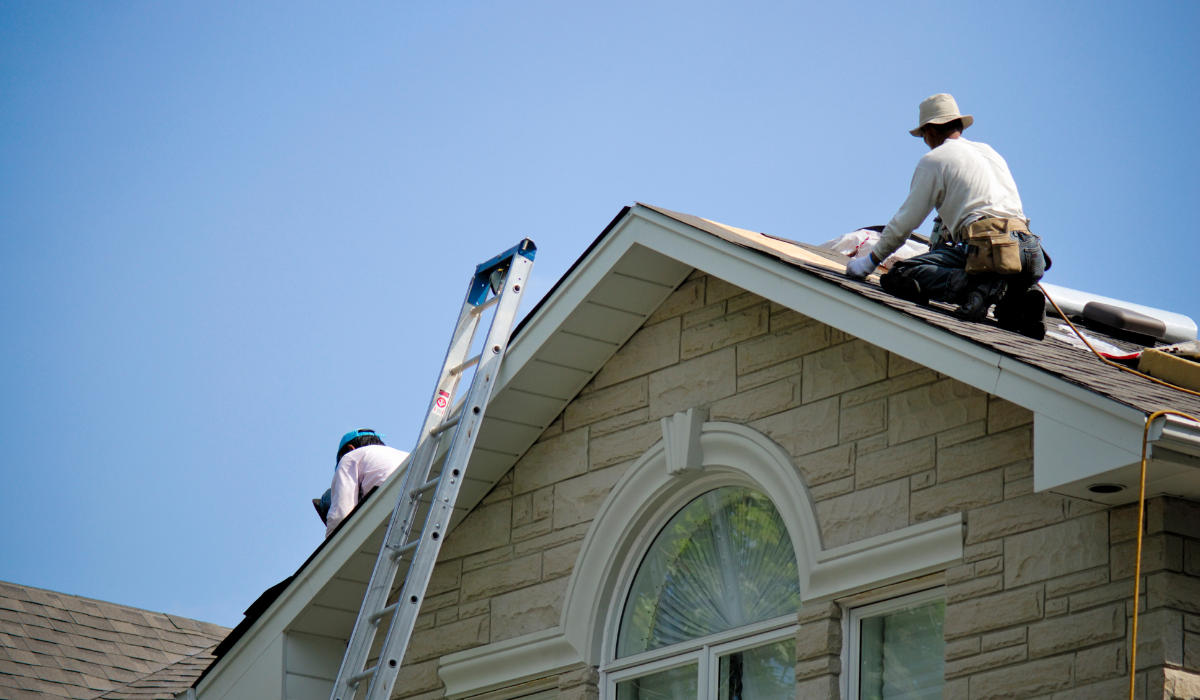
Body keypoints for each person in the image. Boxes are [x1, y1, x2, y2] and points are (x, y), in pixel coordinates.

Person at [845, 93, 1047, 339]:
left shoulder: (935, 160)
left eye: (923, 136)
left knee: (901, 274)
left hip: (988, 250)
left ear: (929, 131)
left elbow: (904, 223)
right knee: (1007, 317)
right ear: (958, 125)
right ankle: (1019, 298)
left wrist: (868, 263)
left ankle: (977, 287)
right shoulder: (989, 152)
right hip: (1029, 252)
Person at [319, 429, 409, 538]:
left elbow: (341, 513)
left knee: (328, 498)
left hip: (389, 502)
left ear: (350, 449)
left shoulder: (350, 456)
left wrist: (331, 545)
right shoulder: (401, 454)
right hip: (415, 495)